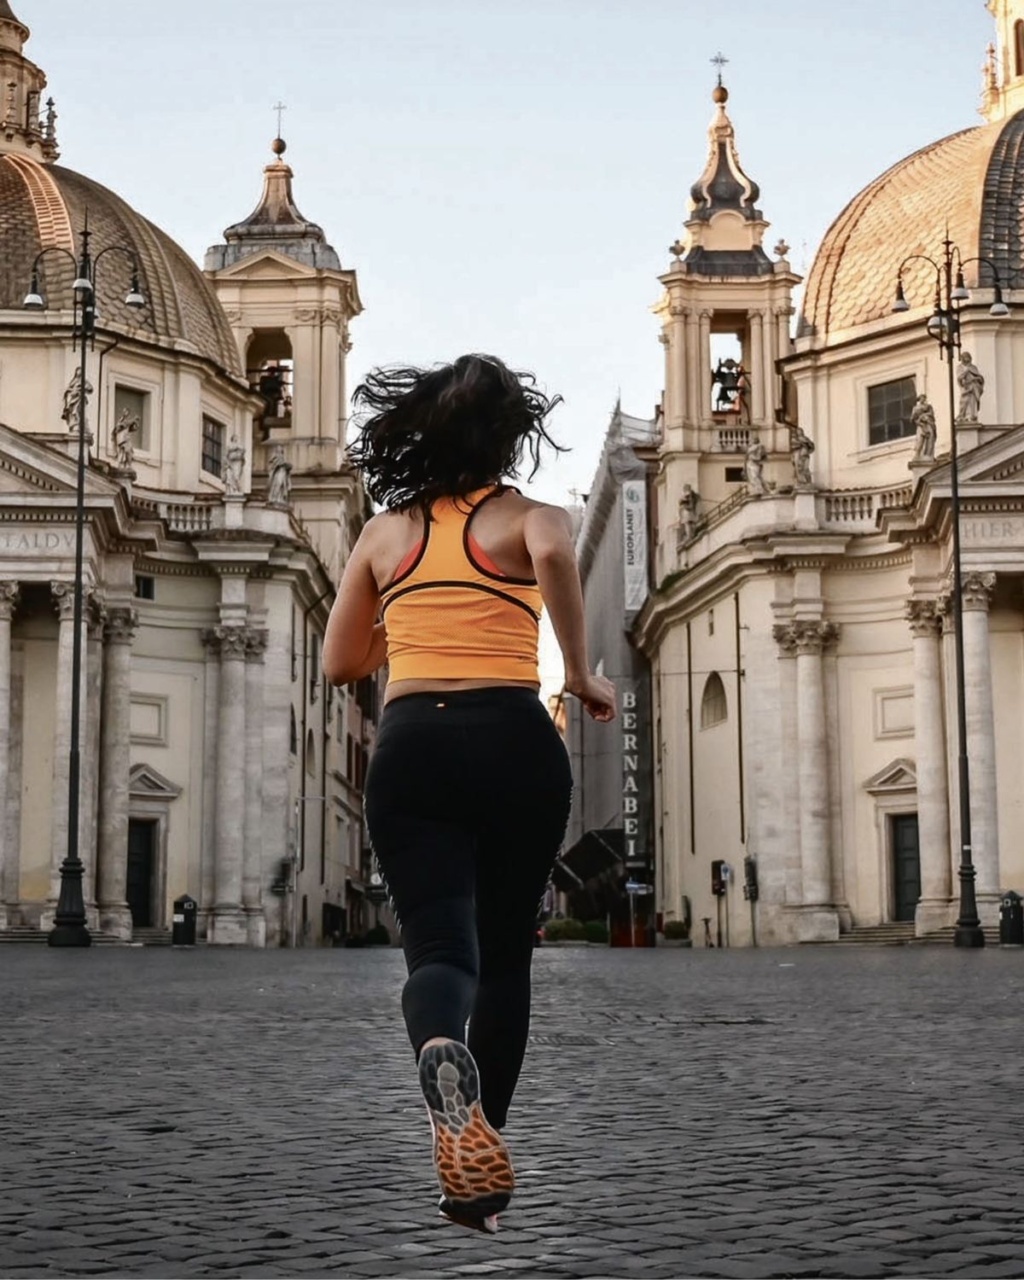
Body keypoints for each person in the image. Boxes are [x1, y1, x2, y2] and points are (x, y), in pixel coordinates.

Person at [322, 353, 616, 1234]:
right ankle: (474, 1173)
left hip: (412, 746)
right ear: (511, 433)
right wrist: (577, 675)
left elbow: (341, 664)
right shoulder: (531, 517)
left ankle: (437, 1051)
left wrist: (402, 623)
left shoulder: (383, 534)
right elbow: (558, 552)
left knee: (440, 951)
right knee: (507, 957)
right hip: (514, 740)